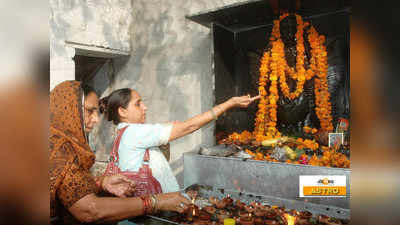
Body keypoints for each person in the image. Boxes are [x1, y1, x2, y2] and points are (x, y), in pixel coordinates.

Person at [50, 81, 190, 225]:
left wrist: (102, 183)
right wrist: (155, 201)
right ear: (67, 110)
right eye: (89, 111)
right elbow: (90, 211)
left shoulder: (62, 144)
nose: (96, 119)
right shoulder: (56, 148)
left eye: (96, 112)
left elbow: (67, 189)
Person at [100, 88, 260, 193]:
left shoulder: (126, 133)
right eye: (138, 104)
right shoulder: (135, 133)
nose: (145, 107)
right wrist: (229, 103)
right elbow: (189, 127)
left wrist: (168, 130)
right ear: (122, 111)